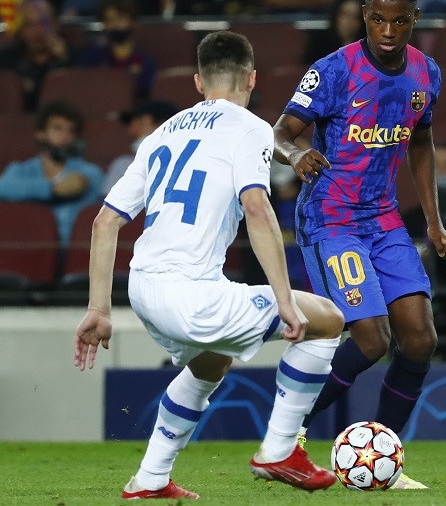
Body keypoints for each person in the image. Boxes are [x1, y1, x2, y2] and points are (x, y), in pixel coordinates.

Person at [73, 30, 345, 500]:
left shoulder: (160, 133)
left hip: (144, 289)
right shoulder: (252, 128)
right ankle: (280, 450)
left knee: (212, 360)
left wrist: (99, 309)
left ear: (198, 82)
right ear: (252, 79)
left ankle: (150, 479)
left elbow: (104, 222)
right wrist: (285, 300)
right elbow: (257, 208)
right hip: (191, 293)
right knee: (327, 320)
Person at [271, 0, 446, 490]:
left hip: (384, 219)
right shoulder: (334, 71)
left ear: (414, 18)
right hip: (330, 218)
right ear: (365, 15)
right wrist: (297, 153)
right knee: (372, 340)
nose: (387, 31)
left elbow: (421, 143)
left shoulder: (426, 74)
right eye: (377, 19)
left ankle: (385, 459)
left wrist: (435, 223)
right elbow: (280, 132)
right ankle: (284, 437)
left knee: (419, 339)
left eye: (399, 21)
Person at [0, 99, 103, 246]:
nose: (65, 136)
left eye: (71, 131)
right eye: (57, 128)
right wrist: (52, 190)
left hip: (73, 249)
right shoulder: (22, 170)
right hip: (30, 246)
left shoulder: (89, 171)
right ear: (40, 133)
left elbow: (82, 184)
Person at [0, 0, 77, 111]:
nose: (38, 32)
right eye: (30, 25)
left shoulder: (75, 57)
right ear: (20, 30)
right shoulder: (4, 60)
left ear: (56, 25)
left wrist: (65, 60)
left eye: (43, 24)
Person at [79, 0, 156, 102]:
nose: (114, 24)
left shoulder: (144, 60)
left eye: (120, 19)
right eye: (109, 20)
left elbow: (147, 93)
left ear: (133, 22)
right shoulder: (93, 57)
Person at [100, 99, 178, 196]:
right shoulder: (125, 164)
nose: (131, 131)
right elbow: (106, 202)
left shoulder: (181, 164)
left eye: (136, 122)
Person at [301, 0, 366, 66]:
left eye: (355, 17)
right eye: (344, 14)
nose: (348, 22)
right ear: (336, 13)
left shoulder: (371, 49)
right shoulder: (319, 43)